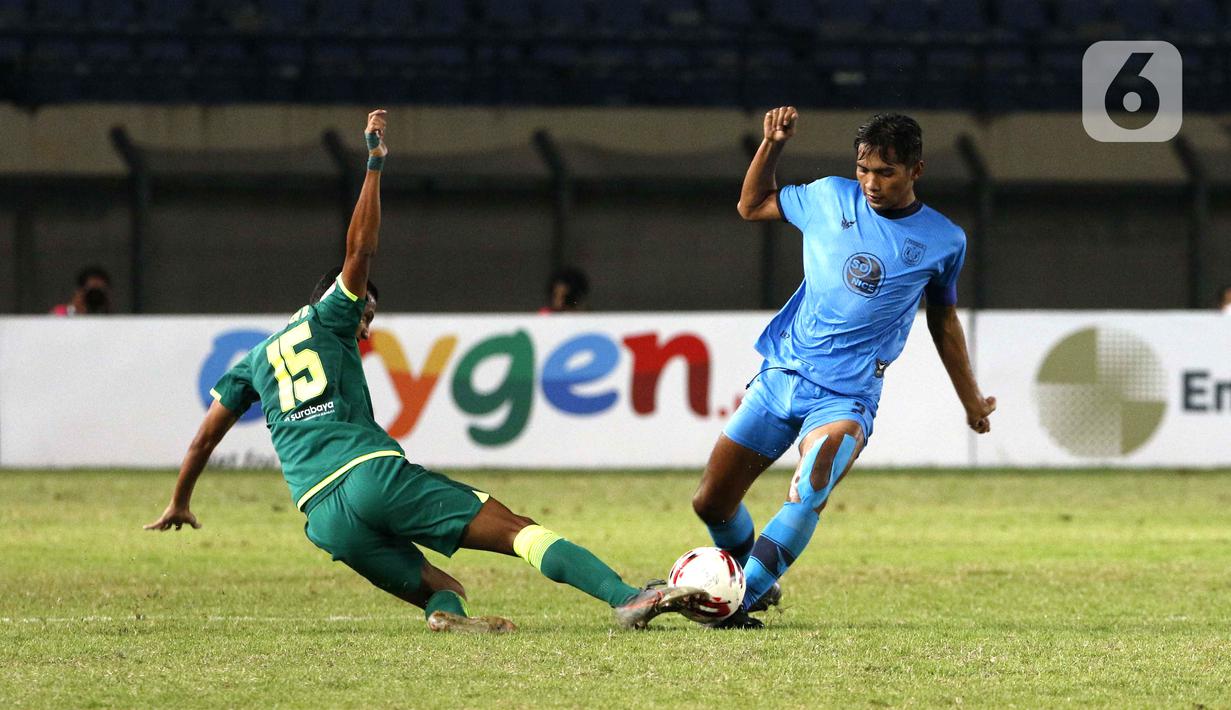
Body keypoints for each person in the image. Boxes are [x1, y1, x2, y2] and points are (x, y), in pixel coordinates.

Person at [145, 110, 706, 633]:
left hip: (321, 517)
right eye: (367, 314)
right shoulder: (332, 315)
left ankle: (445, 617)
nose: (366, 329)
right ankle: (624, 596)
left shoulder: (256, 356)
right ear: (344, 300)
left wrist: (180, 500)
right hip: (370, 476)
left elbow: (202, 440)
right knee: (515, 530)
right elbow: (360, 250)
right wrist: (374, 165)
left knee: (444, 586)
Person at [691, 108, 997, 629]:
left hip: (847, 398)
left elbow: (943, 322)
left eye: (886, 172)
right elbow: (751, 205)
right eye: (864, 169)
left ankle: (740, 601)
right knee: (711, 504)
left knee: (809, 489)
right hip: (781, 375)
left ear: (916, 171)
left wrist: (971, 400)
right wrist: (773, 146)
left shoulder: (945, 240)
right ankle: (751, 577)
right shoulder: (829, 196)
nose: (871, 183)